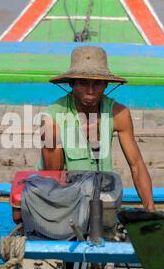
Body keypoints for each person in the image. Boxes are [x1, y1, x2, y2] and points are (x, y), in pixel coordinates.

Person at [38, 46, 155, 211]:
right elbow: (53, 175)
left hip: (102, 196)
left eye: (97, 84)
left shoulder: (118, 114)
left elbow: (136, 165)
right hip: (64, 198)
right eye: (83, 83)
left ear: (106, 84)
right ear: (72, 83)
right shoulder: (52, 116)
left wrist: (151, 210)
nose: (91, 91)